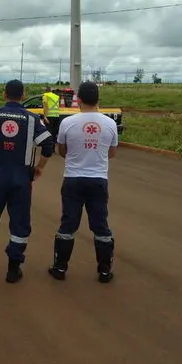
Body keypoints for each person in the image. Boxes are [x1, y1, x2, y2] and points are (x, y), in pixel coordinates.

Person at [0, 79, 54, 283]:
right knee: (20, 223)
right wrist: (39, 168)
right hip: (22, 179)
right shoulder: (33, 119)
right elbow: (48, 145)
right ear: (23, 95)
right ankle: (13, 268)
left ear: (3, 94)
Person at [48, 81, 118, 283]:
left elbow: (61, 151)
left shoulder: (67, 123)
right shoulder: (110, 124)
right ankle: (104, 271)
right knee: (100, 225)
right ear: (98, 99)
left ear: (78, 99)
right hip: (98, 179)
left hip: (73, 179)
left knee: (68, 224)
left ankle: (60, 268)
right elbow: (111, 153)